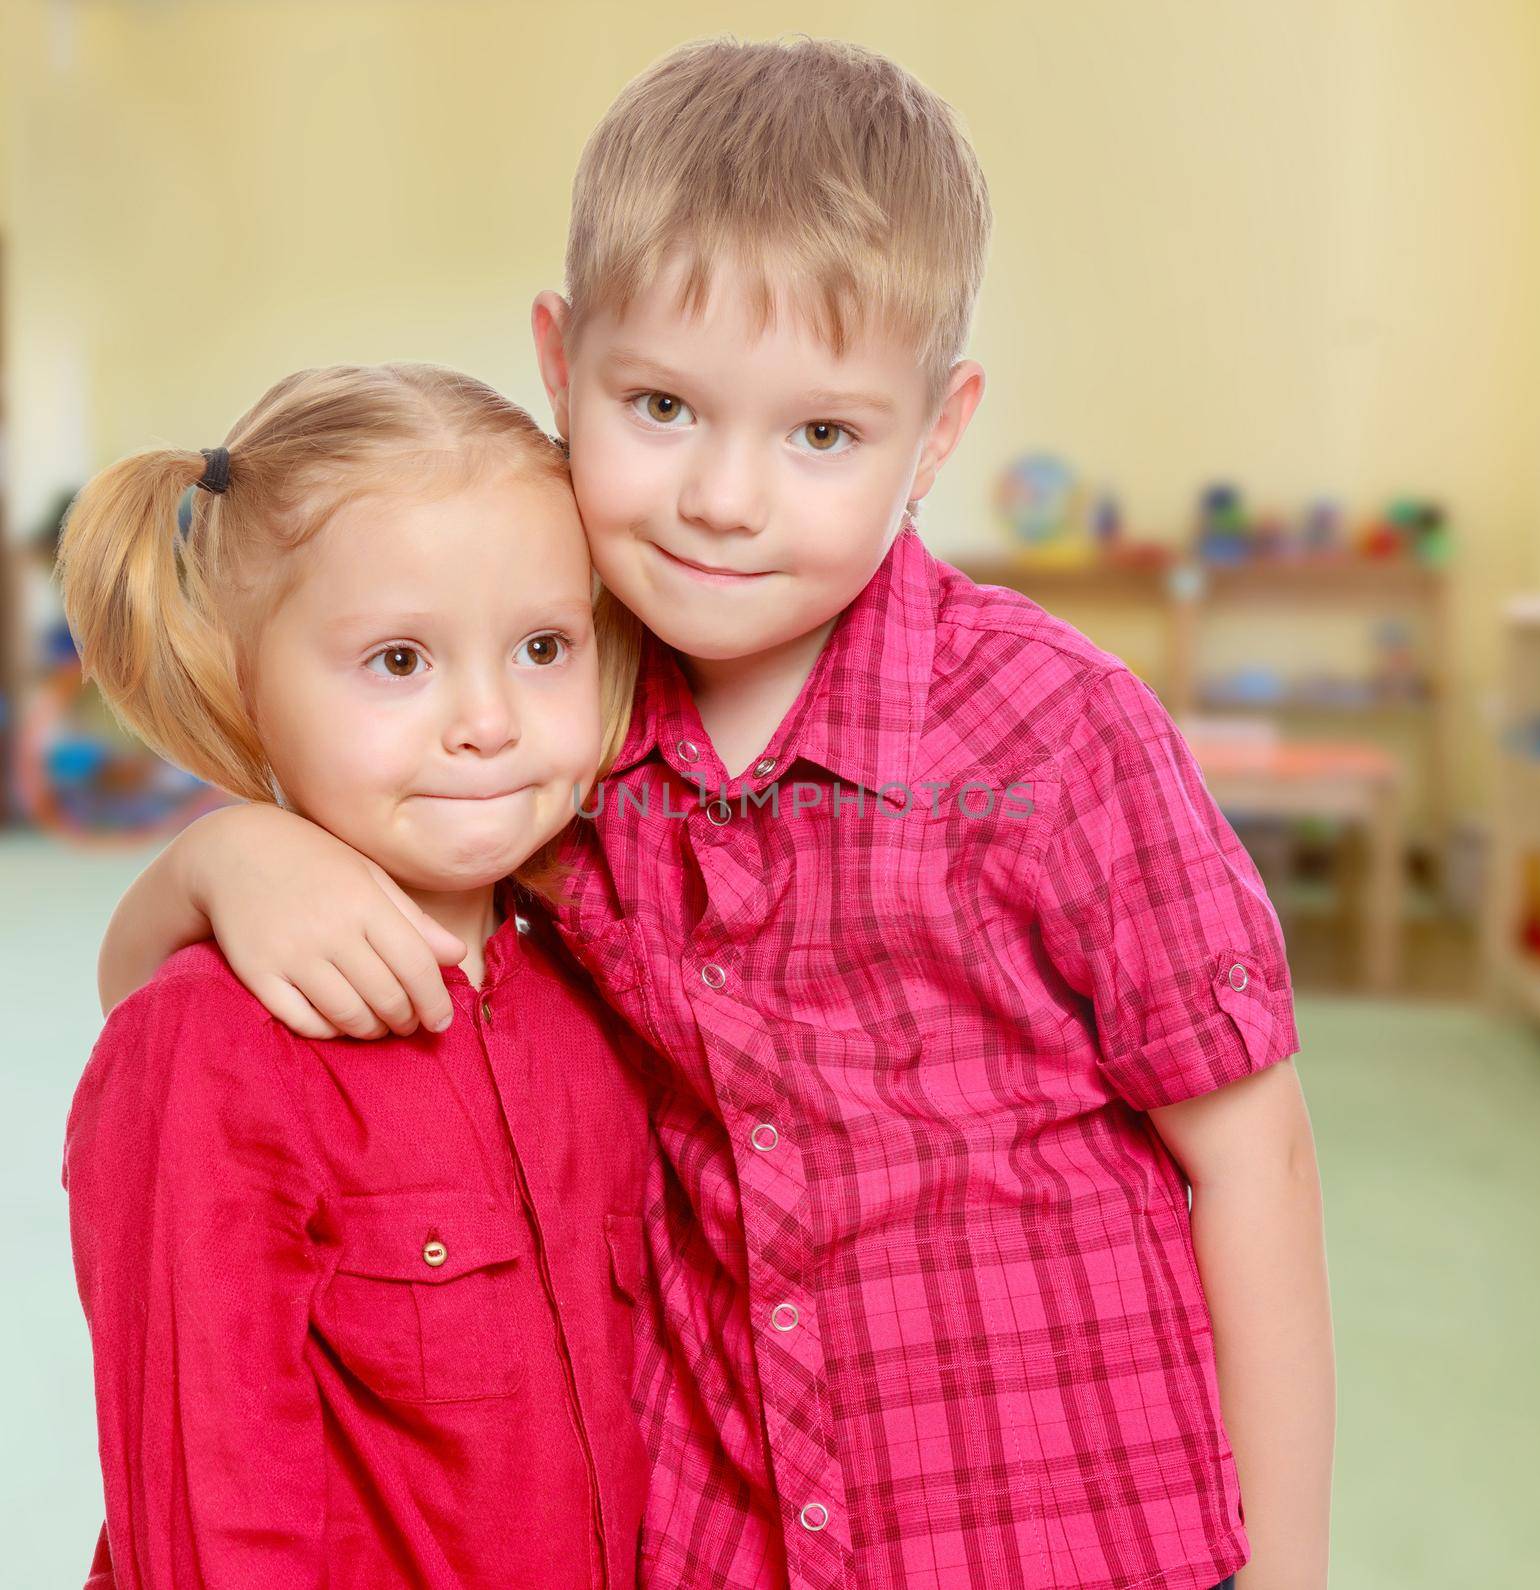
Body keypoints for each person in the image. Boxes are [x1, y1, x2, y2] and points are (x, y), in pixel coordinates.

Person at [94, 39, 1335, 1590]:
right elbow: (160, 1005)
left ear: (936, 431)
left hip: (1058, 1533)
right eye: (664, 406)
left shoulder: (1054, 730)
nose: (725, 498)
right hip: (724, 1537)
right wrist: (227, 849)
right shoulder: (564, 722)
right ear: (560, 362)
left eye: (820, 433)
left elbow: (1253, 1156)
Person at [60, 363, 652, 1588]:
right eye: (398, 661)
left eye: (544, 645)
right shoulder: (206, 1046)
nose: (487, 719)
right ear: (243, 683)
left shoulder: (602, 994)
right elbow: (209, 1519)